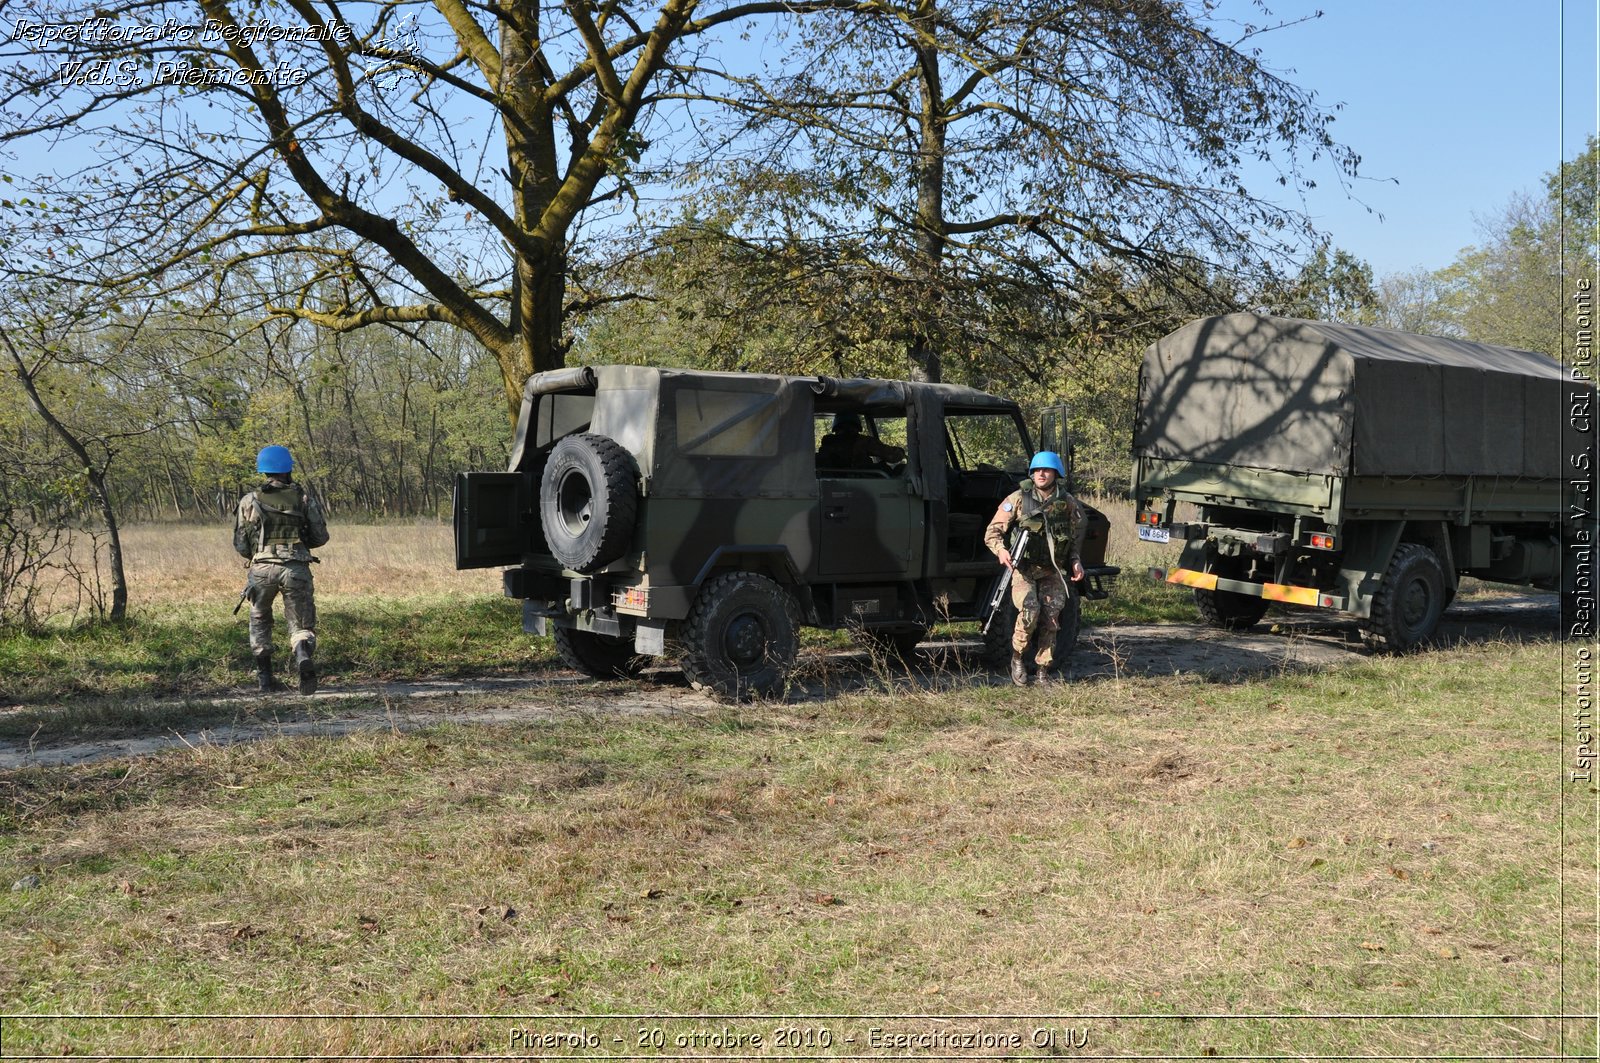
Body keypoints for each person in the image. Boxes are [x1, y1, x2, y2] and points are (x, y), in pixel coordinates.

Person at [983, 451, 1086, 686]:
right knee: (1029, 612)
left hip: (1052, 569)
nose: (1041, 474)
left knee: (1051, 618)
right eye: (1037, 470)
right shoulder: (1019, 498)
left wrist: (1075, 560)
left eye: (1047, 470)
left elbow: (1071, 537)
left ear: (1055, 474)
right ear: (1032, 473)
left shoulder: (1067, 502)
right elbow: (992, 532)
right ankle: (1018, 658)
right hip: (1024, 568)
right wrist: (1001, 550)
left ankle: (1042, 670)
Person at [234, 445, 329, 693]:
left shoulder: (249, 501)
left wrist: (259, 553)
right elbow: (320, 537)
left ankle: (265, 679)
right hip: (296, 568)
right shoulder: (303, 499)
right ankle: (301, 654)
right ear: (288, 469)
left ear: (263, 470)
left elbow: (241, 544)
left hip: (262, 570)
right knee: (301, 624)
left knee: (259, 619)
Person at [816, 412, 906, 471]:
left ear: (836, 427)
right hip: (862, 481)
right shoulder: (863, 441)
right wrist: (901, 452)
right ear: (856, 426)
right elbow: (892, 456)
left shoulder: (828, 443)